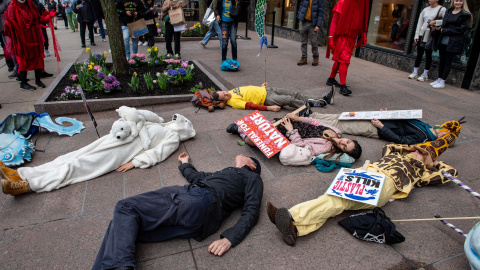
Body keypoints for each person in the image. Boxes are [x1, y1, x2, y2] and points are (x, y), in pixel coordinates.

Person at [92, 152, 263, 269]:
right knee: (123, 227)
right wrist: (185, 163)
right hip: (198, 219)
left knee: (125, 208)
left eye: (246, 156)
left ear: (252, 165)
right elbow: (197, 177)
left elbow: (252, 210)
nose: (241, 154)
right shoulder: (225, 173)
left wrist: (229, 239)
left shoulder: (252, 177)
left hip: (196, 200)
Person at [267, 141, 458, 246]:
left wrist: (432, 163)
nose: (418, 153)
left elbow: (449, 174)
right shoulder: (397, 154)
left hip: (383, 185)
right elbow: (389, 146)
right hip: (365, 174)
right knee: (334, 202)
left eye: (422, 153)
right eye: (419, 149)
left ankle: (292, 216)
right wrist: (411, 148)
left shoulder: (421, 172)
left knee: (336, 201)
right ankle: (296, 228)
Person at [1, 111, 196, 195]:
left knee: (77, 166)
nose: (174, 120)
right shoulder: (159, 123)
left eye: (178, 121)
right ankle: (21, 174)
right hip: (112, 141)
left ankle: (28, 186)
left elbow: (159, 153)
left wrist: (136, 162)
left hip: (121, 153)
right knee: (71, 157)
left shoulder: (173, 137)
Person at [296, 111, 464, 145]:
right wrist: (388, 114)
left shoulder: (424, 137)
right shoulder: (426, 127)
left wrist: (382, 126)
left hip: (377, 128)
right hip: (381, 119)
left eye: (446, 129)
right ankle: (313, 114)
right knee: (342, 116)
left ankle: (305, 120)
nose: (442, 127)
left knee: (341, 124)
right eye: (445, 126)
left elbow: (401, 140)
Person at [4, 0, 55, 90]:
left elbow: (39, 19)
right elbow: (10, 27)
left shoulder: (30, 3)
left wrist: (48, 17)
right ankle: (23, 83)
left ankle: (38, 80)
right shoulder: (12, 6)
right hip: (22, 39)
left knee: (38, 58)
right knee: (24, 60)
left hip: (34, 37)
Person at [325, 0, 369, 96]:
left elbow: (359, 21)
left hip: (352, 38)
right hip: (342, 36)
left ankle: (331, 78)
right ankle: (343, 86)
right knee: (345, 59)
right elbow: (334, 21)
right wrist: (331, 37)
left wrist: (363, 34)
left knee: (340, 59)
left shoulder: (359, 6)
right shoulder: (341, 3)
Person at [213, 83, 335, 112]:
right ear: (222, 100)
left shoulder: (230, 91)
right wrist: (269, 108)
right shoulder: (233, 102)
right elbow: (251, 105)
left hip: (267, 89)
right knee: (289, 100)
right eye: (223, 96)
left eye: (223, 92)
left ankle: (321, 99)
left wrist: (261, 86)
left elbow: (248, 90)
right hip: (268, 99)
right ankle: (308, 107)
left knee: (294, 94)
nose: (226, 93)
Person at [431, 0, 472, 89]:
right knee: (442, 61)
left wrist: (445, 30)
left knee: (447, 62)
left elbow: (461, 29)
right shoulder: (449, 11)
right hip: (443, 40)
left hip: (453, 42)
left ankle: (442, 81)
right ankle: (439, 79)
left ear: (463, 3)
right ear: (453, 2)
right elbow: (444, 23)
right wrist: (439, 27)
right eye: (456, 1)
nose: (458, 3)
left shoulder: (465, 15)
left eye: (460, 1)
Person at [408, 0, 446, 82]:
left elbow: (446, 20)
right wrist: (417, 35)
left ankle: (425, 74)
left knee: (428, 54)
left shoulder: (442, 9)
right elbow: (419, 23)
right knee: (419, 53)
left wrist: (435, 22)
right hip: (422, 33)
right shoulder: (425, 10)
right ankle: (415, 72)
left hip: (431, 35)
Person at [296, 0, 324, 66]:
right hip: (304, 22)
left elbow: (320, 12)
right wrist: (299, 16)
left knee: (314, 42)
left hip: (313, 24)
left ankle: (315, 57)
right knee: (303, 42)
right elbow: (301, 6)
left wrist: (318, 25)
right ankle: (304, 58)